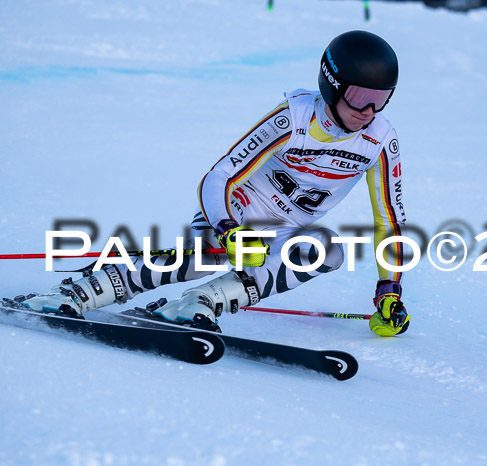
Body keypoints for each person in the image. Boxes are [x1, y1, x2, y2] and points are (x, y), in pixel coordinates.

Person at [21, 30, 410, 337]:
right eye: (360, 97)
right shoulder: (293, 118)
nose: (368, 112)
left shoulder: (380, 140)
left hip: (286, 228)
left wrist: (388, 290)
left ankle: (199, 303)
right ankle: (80, 291)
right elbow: (218, 176)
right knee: (209, 254)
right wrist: (229, 230)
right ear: (332, 85)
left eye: (381, 99)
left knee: (327, 251)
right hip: (237, 207)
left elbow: (389, 222)